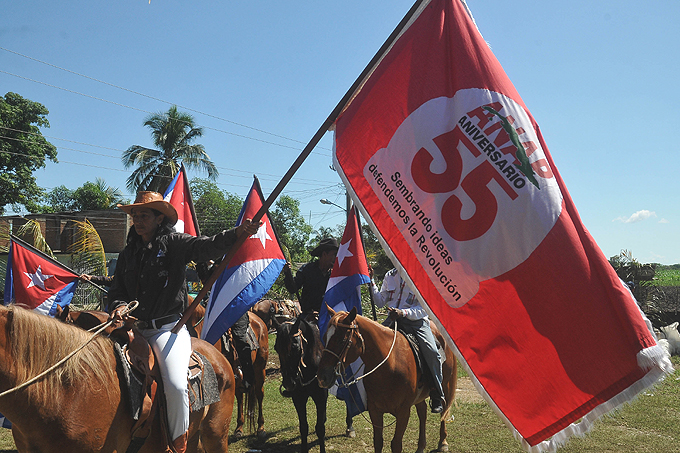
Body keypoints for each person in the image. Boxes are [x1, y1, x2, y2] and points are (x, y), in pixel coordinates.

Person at [107, 191, 260, 453]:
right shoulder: (127, 254)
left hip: (167, 330)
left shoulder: (174, 243)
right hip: (132, 330)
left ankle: (177, 443)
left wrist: (236, 234)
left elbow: (205, 246)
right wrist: (119, 305)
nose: (138, 220)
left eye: (144, 215)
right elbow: (117, 289)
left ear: (159, 219)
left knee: (177, 385)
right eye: (135, 215)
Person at [369, 266, 446, 413]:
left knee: (432, 352)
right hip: (392, 320)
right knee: (373, 344)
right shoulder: (390, 274)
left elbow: (424, 308)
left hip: (416, 322)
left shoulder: (423, 276)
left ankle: (436, 393)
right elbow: (380, 301)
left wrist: (403, 312)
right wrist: (371, 280)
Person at [196, 260, 255, 389]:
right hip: (213, 305)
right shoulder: (207, 268)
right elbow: (204, 281)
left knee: (239, 337)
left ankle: (248, 377)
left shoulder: (231, 264)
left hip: (235, 306)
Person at [283, 237, 338, 318]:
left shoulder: (335, 276)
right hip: (307, 317)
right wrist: (287, 273)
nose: (335, 258)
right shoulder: (307, 269)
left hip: (327, 318)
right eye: (334, 255)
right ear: (324, 254)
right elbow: (292, 288)